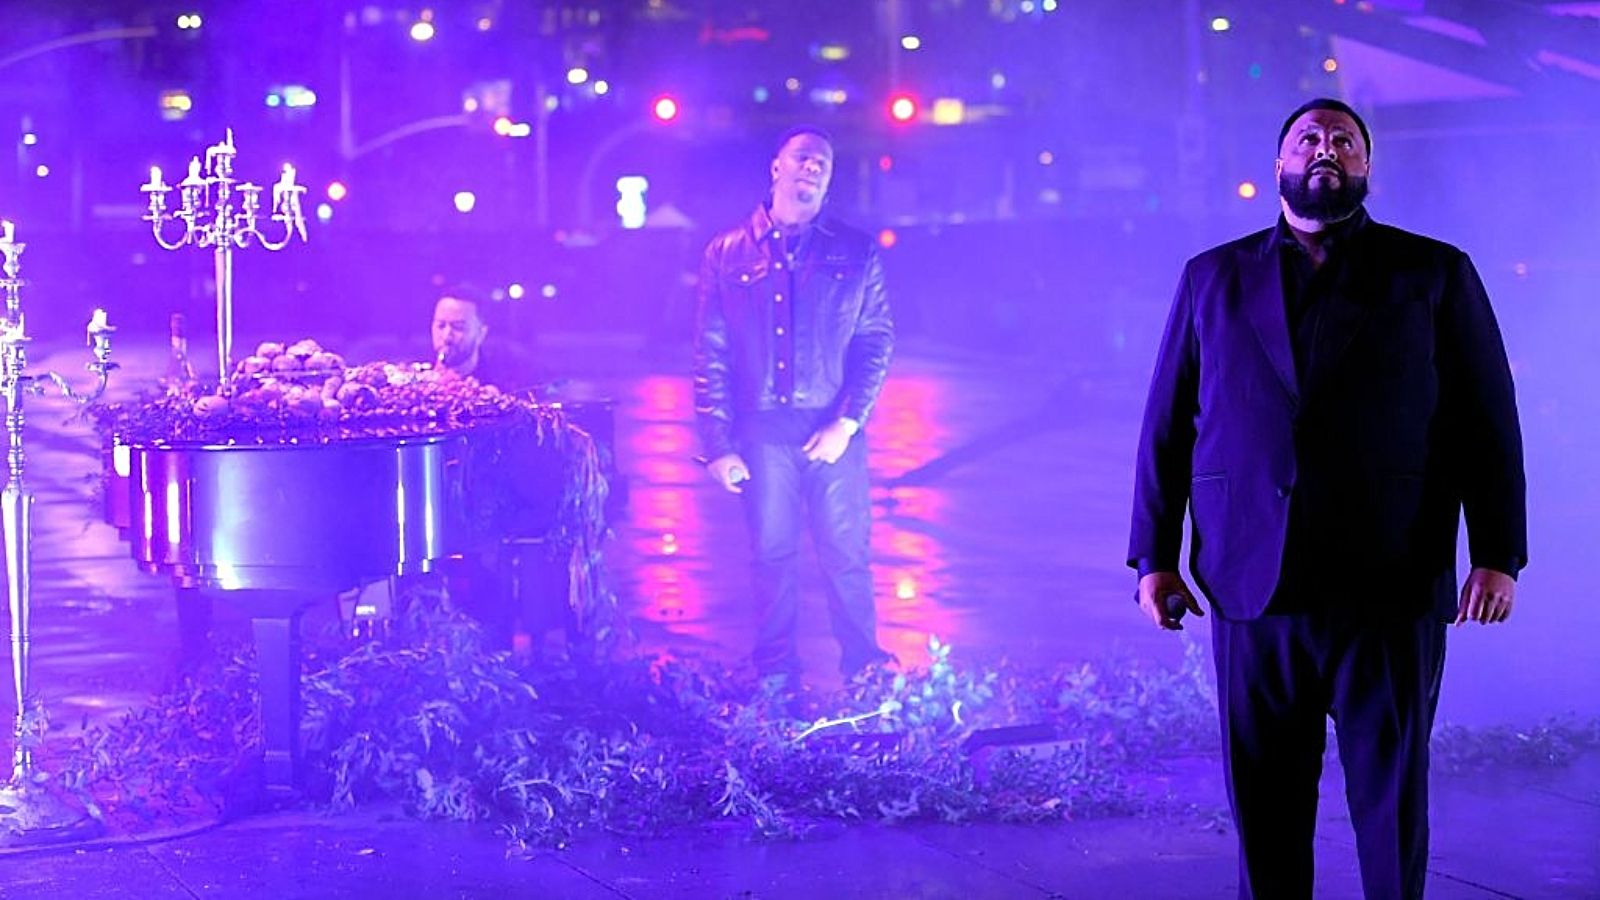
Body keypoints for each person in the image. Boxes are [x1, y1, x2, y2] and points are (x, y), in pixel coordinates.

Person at [1127, 98, 1526, 899]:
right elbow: (1166, 423)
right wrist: (1153, 557)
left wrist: (1496, 554)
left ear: (1366, 166)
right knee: (1265, 808)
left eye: (1344, 140)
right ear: (1278, 163)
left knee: (1393, 807)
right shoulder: (1212, 277)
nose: (1326, 148)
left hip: (1391, 583)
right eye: (1308, 137)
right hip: (1252, 581)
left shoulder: (1433, 272)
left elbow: (1487, 418)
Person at [693, 125, 896, 683]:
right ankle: (775, 674)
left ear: (828, 182)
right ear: (776, 167)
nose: (812, 168)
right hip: (762, 434)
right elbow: (711, 352)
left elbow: (875, 340)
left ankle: (865, 669)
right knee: (772, 556)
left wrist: (847, 422)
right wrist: (717, 444)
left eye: (822, 164)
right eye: (803, 157)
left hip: (831, 428)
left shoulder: (855, 252)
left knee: (846, 555)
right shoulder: (725, 254)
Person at [430, 286, 536, 394]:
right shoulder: (422, 370)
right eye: (440, 325)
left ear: (481, 333)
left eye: (458, 327)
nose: (446, 336)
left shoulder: (501, 383)